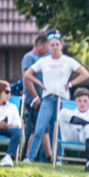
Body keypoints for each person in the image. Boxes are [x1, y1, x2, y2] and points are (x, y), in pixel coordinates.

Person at [23, 30, 89, 162]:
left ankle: (58, 158)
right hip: (47, 98)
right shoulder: (44, 61)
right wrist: (39, 83)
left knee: (58, 131)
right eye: (52, 45)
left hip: (62, 99)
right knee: (39, 129)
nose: (54, 47)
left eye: (57, 44)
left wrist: (71, 83)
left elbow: (85, 74)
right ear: (49, 46)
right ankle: (30, 157)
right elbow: (27, 74)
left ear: (61, 45)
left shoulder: (68, 61)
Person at [57, 87, 89, 171]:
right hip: (70, 137)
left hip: (84, 139)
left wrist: (88, 125)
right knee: (62, 113)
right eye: (79, 100)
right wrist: (88, 123)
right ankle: (88, 123)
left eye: (85, 101)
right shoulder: (68, 112)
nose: (82, 103)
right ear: (75, 101)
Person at [21, 32, 50, 161]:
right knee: (34, 129)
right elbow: (27, 79)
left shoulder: (41, 59)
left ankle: (49, 157)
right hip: (33, 100)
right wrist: (35, 97)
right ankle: (27, 156)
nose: (49, 49)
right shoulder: (29, 57)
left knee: (43, 129)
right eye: (47, 46)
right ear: (39, 45)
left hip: (41, 98)